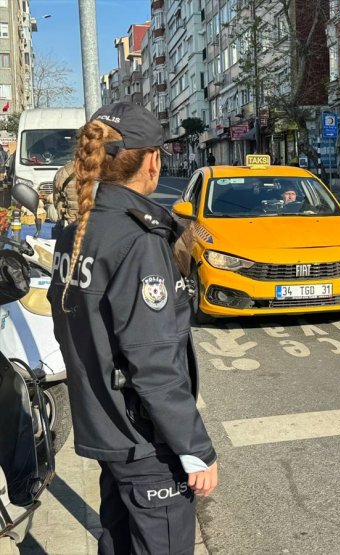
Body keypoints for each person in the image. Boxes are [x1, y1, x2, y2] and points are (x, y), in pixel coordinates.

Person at [46, 102, 218, 554]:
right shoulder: (138, 240)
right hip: (144, 442)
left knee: (118, 542)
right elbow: (153, 360)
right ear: (152, 161)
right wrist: (195, 447)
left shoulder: (79, 229)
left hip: (107, 430)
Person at [51, 160, 78, 238]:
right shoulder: (106, 170)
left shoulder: (64, 171)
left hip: (71, 225)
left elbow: (57, 200)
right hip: (98, 226)